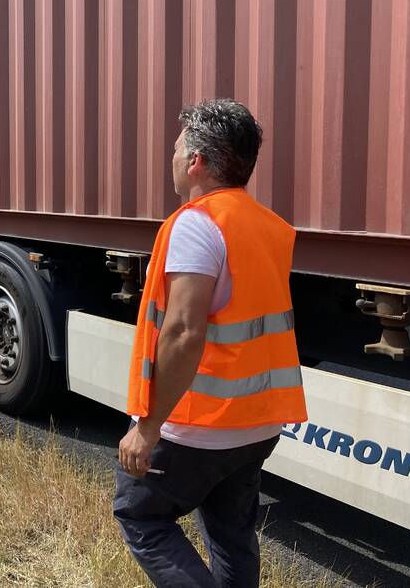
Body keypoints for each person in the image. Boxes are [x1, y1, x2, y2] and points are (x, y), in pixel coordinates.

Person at [113, 99, 307, 587]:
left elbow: (183, 330)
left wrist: (148, 425)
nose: (173, 159)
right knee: (232, 538)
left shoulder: (197, 224)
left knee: (141, 516)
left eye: (178, 149)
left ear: (197, 162)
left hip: (198, 424)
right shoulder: (271, 228)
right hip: (257, 423)